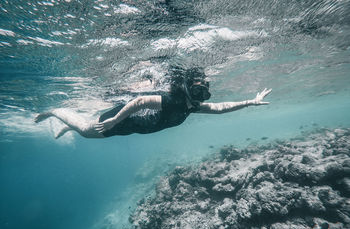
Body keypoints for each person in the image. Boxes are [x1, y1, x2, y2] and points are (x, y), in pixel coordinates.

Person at [34, 68, 272, 139]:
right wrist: (114, 121)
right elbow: (140, 100)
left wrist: (251, 102)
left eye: (204, 94)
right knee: (86, 131)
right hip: (122, 120)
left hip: (131, 128)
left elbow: (221, 108)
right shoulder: (171, 100)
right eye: (197, 91)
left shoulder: (192, 107)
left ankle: (71, 125)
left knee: (85, 127)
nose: (200, 98)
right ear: (187, 88)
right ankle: (56, 112)